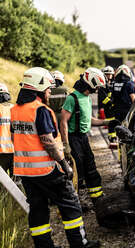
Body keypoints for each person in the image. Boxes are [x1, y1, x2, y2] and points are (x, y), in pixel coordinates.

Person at [10, 67, 100, 248]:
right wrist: (63, 163)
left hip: (25, 172)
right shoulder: (40, 110)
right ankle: (79, 244)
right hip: (48, 170)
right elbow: (47, 141)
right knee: (71, 205)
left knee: (38, 210)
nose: (50, 92)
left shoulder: (15, 110)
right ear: (39, 88)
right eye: (48, 89)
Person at [60, 67, 109, 199]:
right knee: (78, 168)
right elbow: (63, 122)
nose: (98, 89)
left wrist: (107, 123)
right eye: (97, 87)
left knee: (90, 164)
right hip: (73, 138)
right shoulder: (72, 98)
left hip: (83, 138)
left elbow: (88, 120)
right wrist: (66, 145)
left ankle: (96, 196)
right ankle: (76, 199)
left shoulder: (86, 98)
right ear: (91, 83)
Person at [99, 66, 116, 143]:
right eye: (107, 74)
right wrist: (112, 103)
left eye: (110, 74)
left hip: (115, 107)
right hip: (108, 108)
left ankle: (115, 137)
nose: (109, 76)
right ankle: (112, 137)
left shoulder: (115, 84)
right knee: (110, 123)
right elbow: (103, 99)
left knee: (116, 122)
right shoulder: (102, 86)